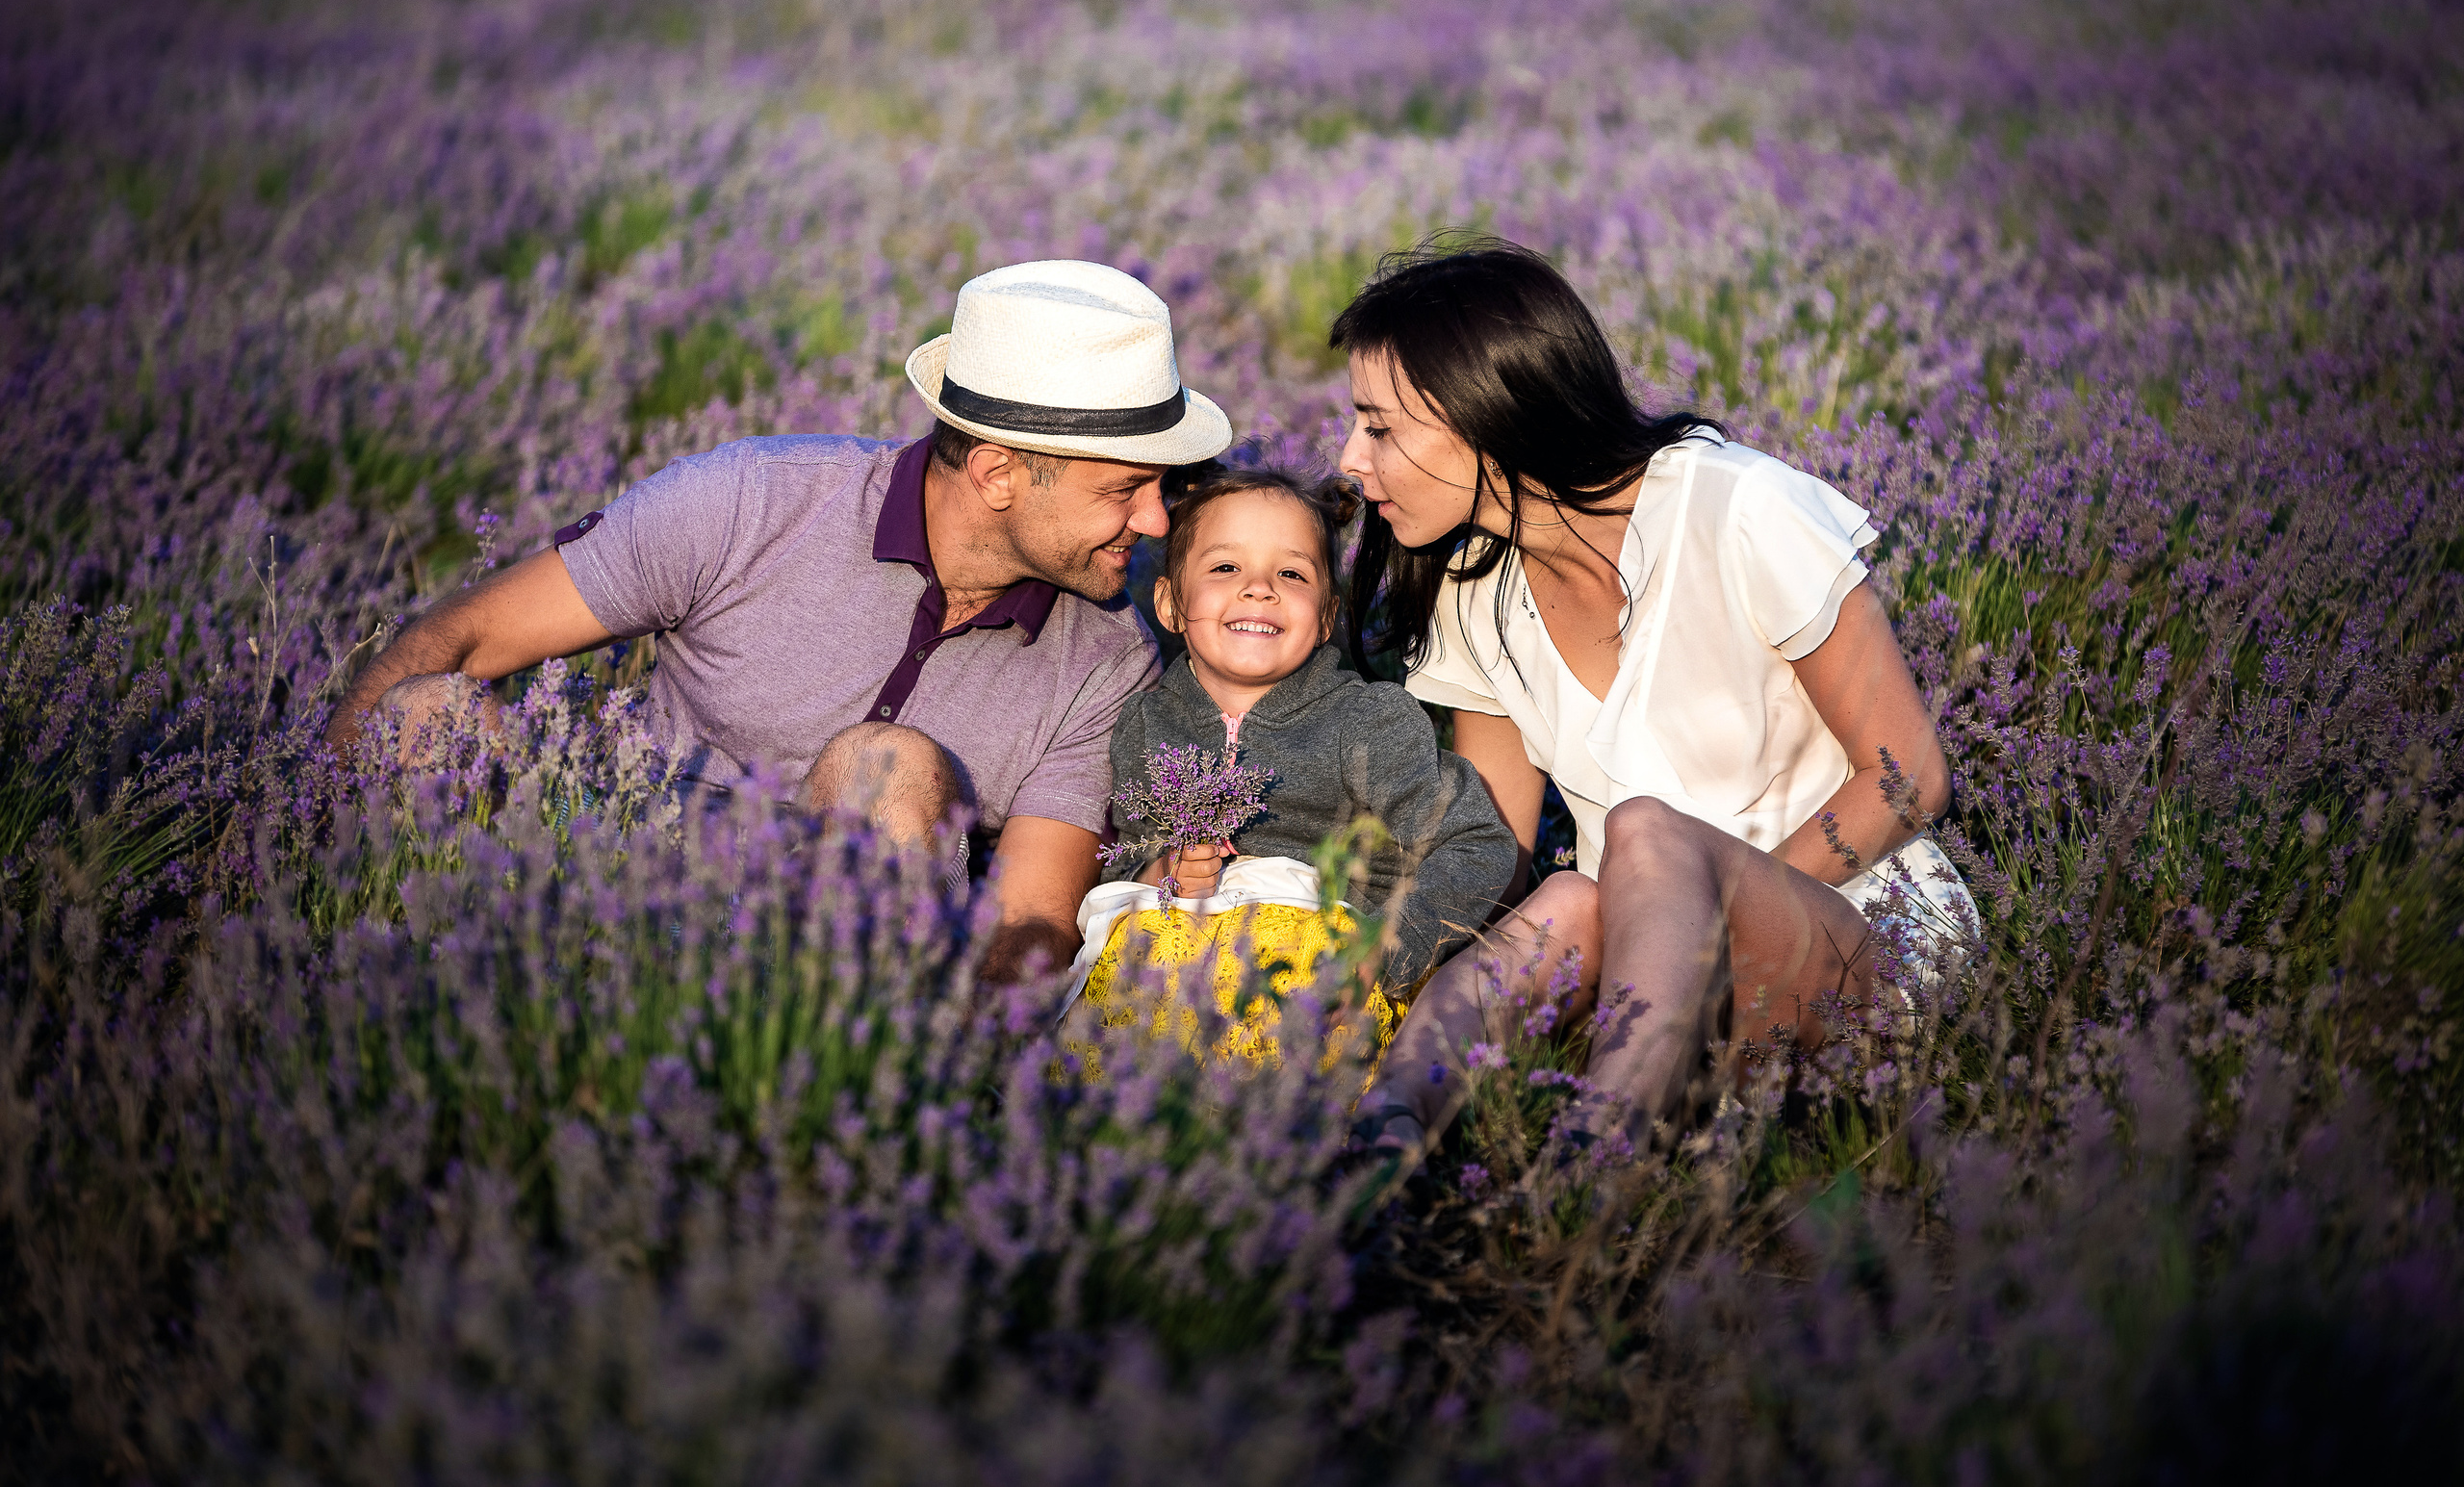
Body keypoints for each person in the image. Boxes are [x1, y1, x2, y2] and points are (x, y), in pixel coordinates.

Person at [323, 260, 1233, 983]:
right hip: (594, 869)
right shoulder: (749, 500)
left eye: (1163, 489)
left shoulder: (1107, 655)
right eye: (1125, 489)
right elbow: (463, 636)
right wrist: (300, 830)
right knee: (427, 714)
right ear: (996, 476)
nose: (1156, 524)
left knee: (889, 763)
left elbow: (1028, 921)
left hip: (840, 971)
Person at [1333, 237, 1975, 1159]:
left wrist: (1691, 909)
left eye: (1379, 427)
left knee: (1644, 833)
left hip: (1862, 943)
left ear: (1483, 411)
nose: (1351, 459)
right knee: (1559, 900)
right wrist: (1356, 949)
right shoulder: (1473, 586)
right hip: (1653, 991)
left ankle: (1598, 1166)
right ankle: (1373, 1154)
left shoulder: (1735, 509)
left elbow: (1907, 774)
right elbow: (1496, 854)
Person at [1064, 468, 1518, 1067]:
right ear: (1170, 603)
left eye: (1292, 573)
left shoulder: (1368, 721)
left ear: (1327, 614)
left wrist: (1386, 952)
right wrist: (1166, 871)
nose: (1259, 589)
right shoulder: (1144, 723)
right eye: (1226, 568)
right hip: (1169, 958)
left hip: (1312, 968)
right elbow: (1125, 857)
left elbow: (1475, 843)